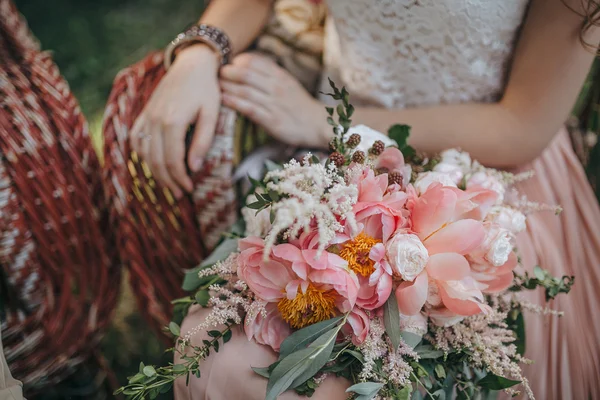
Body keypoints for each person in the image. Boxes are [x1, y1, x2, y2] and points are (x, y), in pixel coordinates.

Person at [130, 0, 600, 398]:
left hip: (480, 176)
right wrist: (200, 51)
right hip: (336, 166)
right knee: (217, 349)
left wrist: (325, 120)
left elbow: (521, 124)